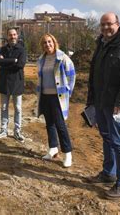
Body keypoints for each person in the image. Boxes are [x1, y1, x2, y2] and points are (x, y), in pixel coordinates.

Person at [86, 12, 120, 199]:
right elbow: (94, 74)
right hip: (100, 101)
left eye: (109, 24)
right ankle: (108, 173)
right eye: (103, 25)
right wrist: (91, 101)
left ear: (118, 23)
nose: (106, 28)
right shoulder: (101, 42)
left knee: (118, 141)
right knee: (106, 137)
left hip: (116, 104)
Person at [36, 33, 76, 168]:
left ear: (54, 42)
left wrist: (68, 92)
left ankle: (68, 153)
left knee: (60, 125)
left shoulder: (63, 58)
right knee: (49, 124)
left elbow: (72, 76)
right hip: (45, 96)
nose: (47, 45)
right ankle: (53, 148)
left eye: (49, 42)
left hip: (57, 98)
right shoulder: (41, 59)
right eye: (44, 43)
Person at [0, 28, 26, 142]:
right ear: (7, 36)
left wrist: (5, 61)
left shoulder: (21, 49)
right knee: (3, 107)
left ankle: (17, 131)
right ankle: (3, 130)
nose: (12, 36)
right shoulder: (2, 49)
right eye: (10, 35)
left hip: (17, 82)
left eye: (14, 34)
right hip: (4, 82)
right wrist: (13, 60)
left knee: (18, 108)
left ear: (17, 36)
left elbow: (21, 64)